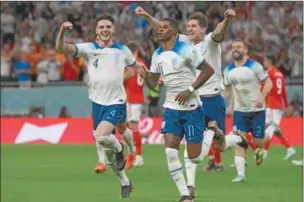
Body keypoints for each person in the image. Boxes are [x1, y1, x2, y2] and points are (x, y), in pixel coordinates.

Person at [55, 14, 146, 198]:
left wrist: (148, 74)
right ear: (96, 31)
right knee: (106, 146)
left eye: (108, 27)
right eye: (101, 27)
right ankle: (125, 182)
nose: (105, 30)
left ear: (113, 30)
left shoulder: (122, 50)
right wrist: (63, 31)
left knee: (102, 136)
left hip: (116, 102)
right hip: (97, 103)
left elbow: (136, 67)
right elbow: (60, 48)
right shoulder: (89, 49)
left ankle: (124, 148)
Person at [142, 17, 215, 202]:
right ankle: (184, 195)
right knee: (170, 152)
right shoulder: (157, 54)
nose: (160, 30)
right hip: (171, 109)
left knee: (195, 158)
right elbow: (153, 84)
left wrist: (190, 90)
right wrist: (147, 77)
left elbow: (208, 70)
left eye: (165, 27)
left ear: (174, 32)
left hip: (191, 109)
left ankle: (212, 131)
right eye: (159, 27)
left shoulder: (186, 50)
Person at [224, 39, 273, 182]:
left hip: (257, 110)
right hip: (240, 111)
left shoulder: (255, 66)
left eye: (238, 47)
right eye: (233, 47)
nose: (235, 49)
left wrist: (262, 97)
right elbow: (228, 90)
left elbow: (268, 83)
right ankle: (241, 175)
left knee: (258, 142)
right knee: (240, 141)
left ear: (246, 50)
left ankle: (270, 132)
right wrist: (224, 104)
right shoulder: (228, 70)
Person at [261, 54, 296, 160]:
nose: (263, 62)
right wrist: (286, 105)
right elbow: (283, 92)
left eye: (265, 61)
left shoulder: (268, 74)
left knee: (270, 128)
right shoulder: (280, 74)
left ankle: (263, 151)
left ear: (268, 61)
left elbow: (264, 88)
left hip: (271, 104)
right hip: (278, 105)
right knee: (274, 129)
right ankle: (288, 148)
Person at [124, 42, 146, 169]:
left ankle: (138, 156)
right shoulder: (142, 62)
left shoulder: (130, 64)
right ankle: (133, 154)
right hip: (138, 97)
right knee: (129, 127)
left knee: (132, 127)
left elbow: (126, 79)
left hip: (131, 98)